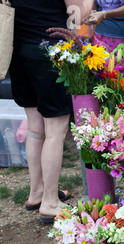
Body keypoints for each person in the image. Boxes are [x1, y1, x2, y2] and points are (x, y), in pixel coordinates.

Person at [8, 0, 93, 223]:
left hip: (19, 52)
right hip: (48, 54)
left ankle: (36, 193)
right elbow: (77, 18)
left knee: (36, 129)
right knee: (55, 131)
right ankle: (50, 202)